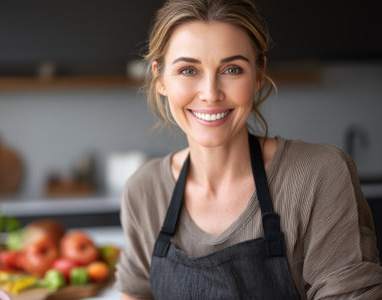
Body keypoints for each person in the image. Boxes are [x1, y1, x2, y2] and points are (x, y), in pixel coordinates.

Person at [114, 0, 382, 299]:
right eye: (188, 70)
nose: (211, 94)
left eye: (232, 69)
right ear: (160, 79)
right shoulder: (144, 190)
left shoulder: (319, 174)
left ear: (258, 74)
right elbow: (135, 293)